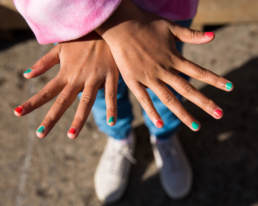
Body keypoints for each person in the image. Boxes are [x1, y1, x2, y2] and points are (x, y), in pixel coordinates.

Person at [13, 0, 233, 203]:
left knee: (164, 83)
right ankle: (120, 137)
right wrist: (104, 23)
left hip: (159, 6)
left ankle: (164, 137)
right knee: (98, 92)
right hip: (70, 15)